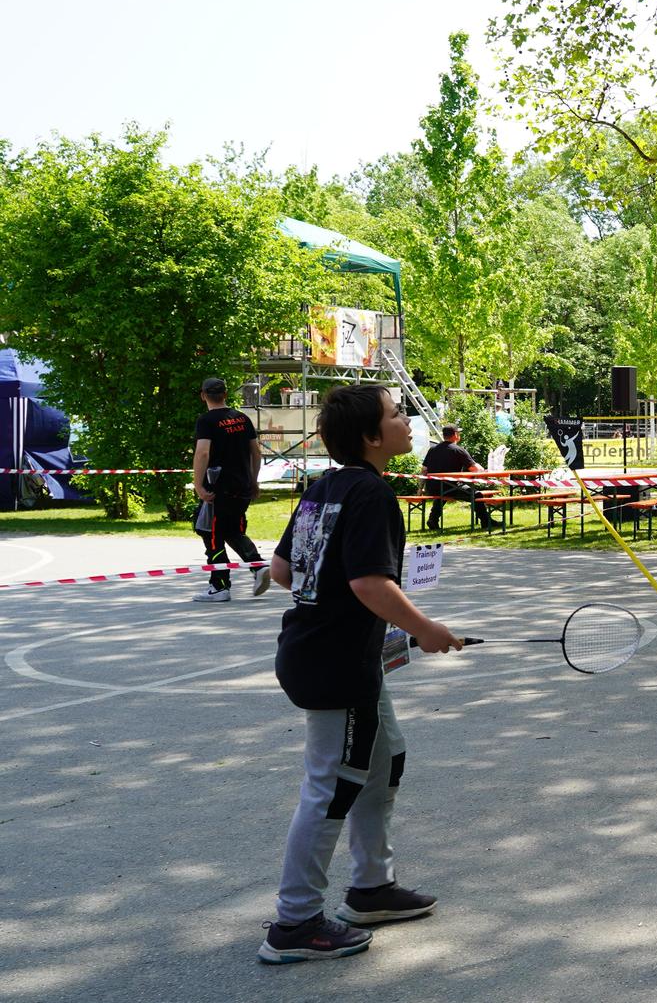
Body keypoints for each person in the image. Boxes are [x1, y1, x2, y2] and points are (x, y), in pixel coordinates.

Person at [257, 384, 464, 964]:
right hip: (336, 667)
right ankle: (295, 922)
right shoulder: (371, 494)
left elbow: (279, 569)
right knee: (332, 787)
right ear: (374, 437)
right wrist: (423, 628)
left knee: (383, 761)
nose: (407, 422)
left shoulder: (324, 487)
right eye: (398, 415)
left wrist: (377, 625)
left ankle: (372, 887)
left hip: (330, 654)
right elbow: (370, 584)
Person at [191, 377, 269, 602]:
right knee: (233, 529)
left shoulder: (206, 420)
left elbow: (203, 453)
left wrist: (198, 485)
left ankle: (219, 586)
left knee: (210, 532)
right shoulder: (242, 418)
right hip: (242, 486)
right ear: (225, 394)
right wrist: (253, 481)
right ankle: (258, 566)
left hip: (219, 487)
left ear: (203, 395)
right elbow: (255, 452)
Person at [420, 424, 500, 531]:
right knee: (477, 495)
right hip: (450, 487)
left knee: (442, 493)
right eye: (458, 433)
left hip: (433, 488)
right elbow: (475, 469)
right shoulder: (458, 450)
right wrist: (485, 470)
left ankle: (433, 519)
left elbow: (424, 470)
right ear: (455, 435)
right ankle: (486, 522)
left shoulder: (432, 449)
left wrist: (420, 488)